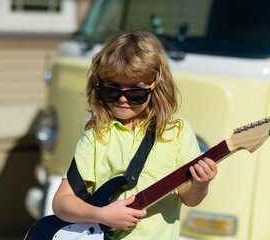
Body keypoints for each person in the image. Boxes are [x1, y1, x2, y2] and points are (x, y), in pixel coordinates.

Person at [52, 30, 218, 240]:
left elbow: (190, 199)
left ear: (156, 89)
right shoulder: (97, 135)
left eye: (135, 93)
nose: (122, 99)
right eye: (111, 91)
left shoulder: (177, 131)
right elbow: (61, 203)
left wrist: (200, 184)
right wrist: (102, 214)